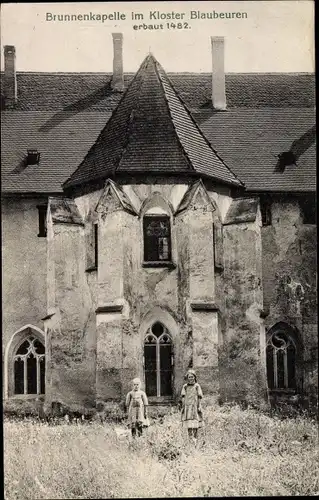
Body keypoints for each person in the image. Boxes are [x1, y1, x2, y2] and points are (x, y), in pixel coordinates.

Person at [180, 369, 203, 442]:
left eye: (192, 377)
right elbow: (183, 397)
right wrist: (183, 407)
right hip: (187, 407)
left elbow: (199, 396)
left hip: (195, 406)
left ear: (195, 377)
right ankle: (190, 438)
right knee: (189, 422)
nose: (190, 379)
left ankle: (195, 438)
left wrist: (199, 406)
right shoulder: (185, 386)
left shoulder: (197, 386)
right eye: (189, 377)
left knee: (195, 421)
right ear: (187, 378)